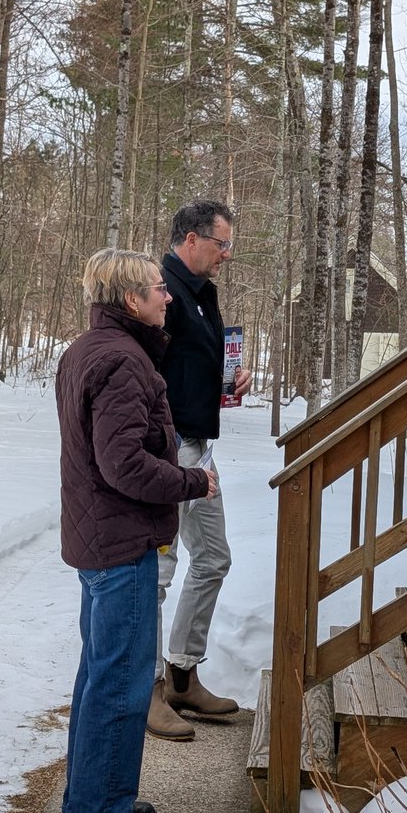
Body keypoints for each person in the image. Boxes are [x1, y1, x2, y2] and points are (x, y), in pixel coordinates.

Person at [56, 248, 217, 813]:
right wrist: (192, 482)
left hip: (102, 539)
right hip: (119, 543)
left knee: (100, 676)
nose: (167, 294)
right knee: (121, 682)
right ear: (131, 300)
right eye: (157, 288)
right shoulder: (123, 362)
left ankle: (97, 795)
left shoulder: (88, 350)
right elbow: (122, 463)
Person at [146, 200, 253, 741]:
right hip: (169, 453)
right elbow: (144, 375)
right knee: (158, 575)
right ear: (191, 240)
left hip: (200, 448)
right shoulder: (158, 292)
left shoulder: (203, 296)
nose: (227, 254)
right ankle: (147, 692)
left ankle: (183, 675)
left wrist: (225, 382)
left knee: (213, 558)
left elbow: (186, 368)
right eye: (221, 243)